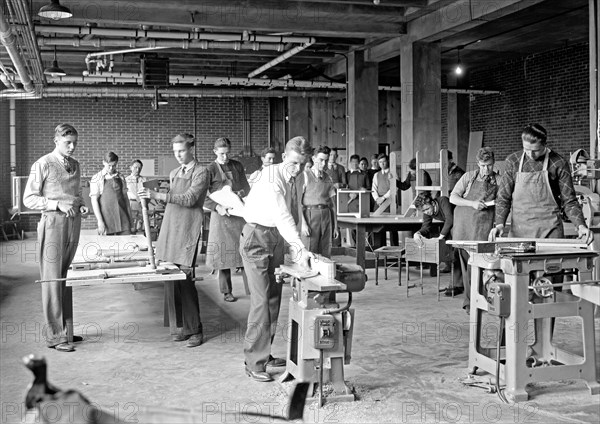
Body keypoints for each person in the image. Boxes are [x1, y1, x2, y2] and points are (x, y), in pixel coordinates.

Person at [241, 135, 315, 382]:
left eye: (303, 164)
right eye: (294, 163)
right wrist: (299, 249)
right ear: (284, 157)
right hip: (256, 238)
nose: (298, 169)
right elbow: (283, 217)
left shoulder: (297, 176)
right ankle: (253, 361)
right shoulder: (273, 179)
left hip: (274, 237)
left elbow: (293, 213)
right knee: (261, 301)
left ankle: (265, 352)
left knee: (274, 299)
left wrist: (295, 248)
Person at [139, 133, 208, 348]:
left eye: (182, 151)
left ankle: (195, 330)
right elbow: (172, 202)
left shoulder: (202, 172)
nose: (178, 155)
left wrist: (158, 196)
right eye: (175, 152)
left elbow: (189, 199)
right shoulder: (174, 172)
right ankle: (180, 327)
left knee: (186, 281)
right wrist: (150, 201)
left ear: (191, 148)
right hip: (171, 228)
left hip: (188, 229)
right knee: (171, 280)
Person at [23, 123, 88, 352]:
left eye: (74, 143)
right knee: (51, 279)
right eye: (67, 143)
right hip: (52, 223)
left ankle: (66, 331)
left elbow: (77, 194)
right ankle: (55, 336)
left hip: (73, 223)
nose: (71, 147)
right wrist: (57, 204)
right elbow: (29, 199)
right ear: (56, 141)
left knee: (64, 277)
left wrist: (80, 206)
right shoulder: (42, 164)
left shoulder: (75, 165)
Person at [489, 124, 592, 243]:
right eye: (526, 149)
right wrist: (499, 225)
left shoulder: (558, 163)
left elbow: (569, 201)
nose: (530, 155)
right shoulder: (513, 161)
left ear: (544, 145)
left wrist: (581, 226)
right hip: (519, 232)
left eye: (535, 150)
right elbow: (503, 198)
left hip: (551, 232)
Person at [450, 147, 499, 309]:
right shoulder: (469, 177)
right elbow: (453, 197)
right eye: (483, 165)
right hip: (465, 226)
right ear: (478, 163)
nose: (486, 169)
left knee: (483, 266)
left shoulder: (498, 179)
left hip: (483, 227)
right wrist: (472, 203)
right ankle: (470, 303)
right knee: (468, 267)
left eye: (490, 165)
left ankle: (482, 300)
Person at [204, 137, 251, 303]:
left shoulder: (237, 166)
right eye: (221, 153)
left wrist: (241, 194)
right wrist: (218, 207)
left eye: (227, 153)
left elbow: (246, 187)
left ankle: (251, 288)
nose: (225, 157)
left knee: (245, 251)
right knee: (224, 254)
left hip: (238, 214)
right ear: (215, 151)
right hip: (221, 216)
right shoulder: (209, 169)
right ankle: (226, 291)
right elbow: (202, 195)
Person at [413, 191, 462, 290]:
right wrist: (417, 233)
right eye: (424, 211)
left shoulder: (443, 200)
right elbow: (426, 227)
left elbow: (450, 220)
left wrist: (440, 237)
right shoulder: (427, 211)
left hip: (460, 222)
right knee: (450, 253)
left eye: (427, 209)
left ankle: (457, 285)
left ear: (432, 202)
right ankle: (454, 284)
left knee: (457, 253)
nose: (427, 212)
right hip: (451, 226)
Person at [296, 145, 338, 258]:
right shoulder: (304, 176)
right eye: (321, 160)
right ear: (314, 159)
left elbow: (333, 205)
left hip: (326, 216)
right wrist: (303, 224)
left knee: (325, 250)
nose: (323, 164)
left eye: (326, 160)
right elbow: (298, 203)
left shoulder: (328, 178)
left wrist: (335, 226)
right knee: (310, 249)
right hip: (310, 216)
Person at [90, 152, 132, 235]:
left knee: (127, 243)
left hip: (123, 216)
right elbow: (94, 201)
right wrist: (100, 221)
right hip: (107, 218)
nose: (111, 168)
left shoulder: (120, 176)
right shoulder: (97, 178)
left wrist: (130, 219)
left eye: (114, 165)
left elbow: (126, 199)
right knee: (108, 245)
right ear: (103, 162)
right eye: (109, 165)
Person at [371, 153, 399, 246]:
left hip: (390, 202)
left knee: (392, 227)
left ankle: (394, 249)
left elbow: (394, 188)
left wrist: (383, 198)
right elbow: (373, 189)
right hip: (378, 202)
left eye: (384, 161)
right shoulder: (376, 175)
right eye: (380, 162)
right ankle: (379, 248)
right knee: (378, 226)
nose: (382, 164)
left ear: (387, 162)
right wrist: (377, 199)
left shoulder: (393, 173)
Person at [125, 159, 147, 234]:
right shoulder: (126, 180)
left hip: (142, 204)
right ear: (130, 167)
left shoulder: (144, 180)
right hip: (131, 203)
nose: (137, 170)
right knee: (131, 225)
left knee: (141, 224)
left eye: (140, 168)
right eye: (135, 167)